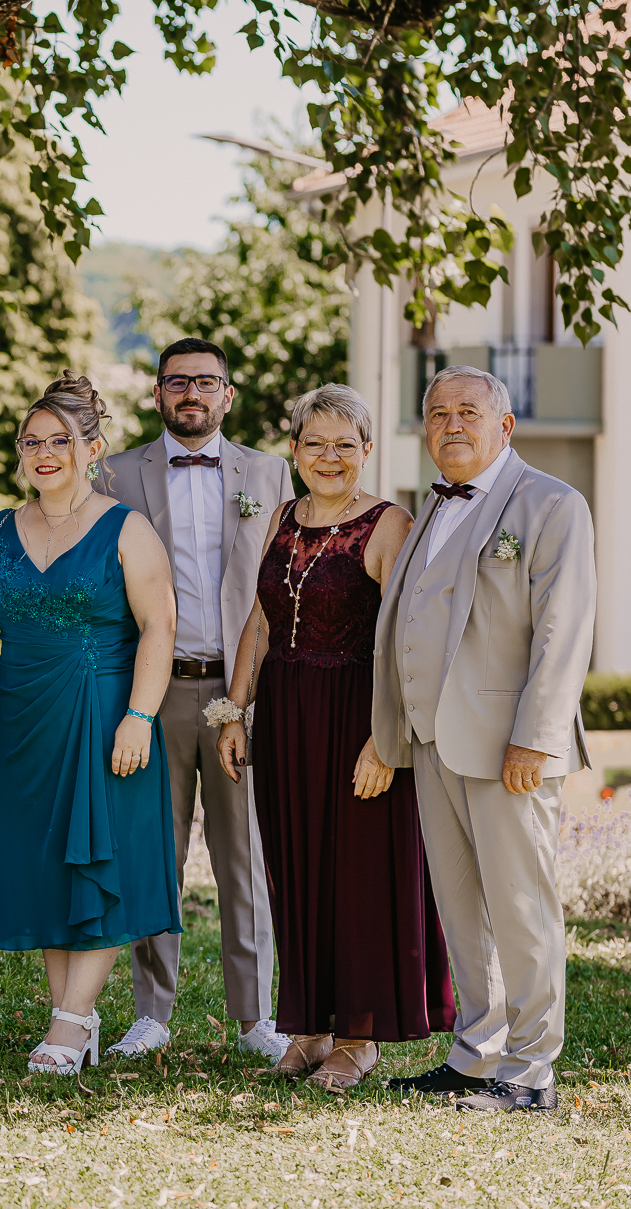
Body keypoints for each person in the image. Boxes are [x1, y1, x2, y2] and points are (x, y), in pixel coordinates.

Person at [214, 385, 454, 1092]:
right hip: (286, 714)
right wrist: (234, 710)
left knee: (357, 876)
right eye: (315, 443)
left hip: (357, 719)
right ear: (294, 450)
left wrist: (386, 741)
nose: (329, 457)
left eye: (345, 445)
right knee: (296, 870)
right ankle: (310, 1027)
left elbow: (411, 638)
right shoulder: (282, 516)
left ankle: (358, 1036)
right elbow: (261, 619)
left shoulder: (389, 523)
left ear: (367, 451)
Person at [375, 367, 594, 1114]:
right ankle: (477, 1054)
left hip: (509, 748)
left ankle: (531, 1070)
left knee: (521, 904)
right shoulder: (430, 506)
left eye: (468, 411)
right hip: (433, 743)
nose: (451, 424)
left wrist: (536, 738)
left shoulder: (551, 503)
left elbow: (565, 628)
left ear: (505, 425)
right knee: (461, 909)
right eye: (437, 413)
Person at [0, 372, 178, 1075]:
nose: (45, 453)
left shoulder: (126, 527)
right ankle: (73, 1016)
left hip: (105, 712)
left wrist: (139, 716)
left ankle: (70, 1020)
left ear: (92, 449)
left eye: (60, 440)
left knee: (99, 857)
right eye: (32, 442)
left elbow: (160, 626)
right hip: (23, 715)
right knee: (48, 864)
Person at [99, 337, 294, 1063]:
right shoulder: (116, 474)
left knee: (246, 857)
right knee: (154, 854)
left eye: (206, 382)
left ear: (227, 395)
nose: (192, 394)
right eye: (177, 382)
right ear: (157, 393)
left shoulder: (270, 474)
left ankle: (255, 1017)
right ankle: (152, 1012)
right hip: (152, 691)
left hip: (243, 694)